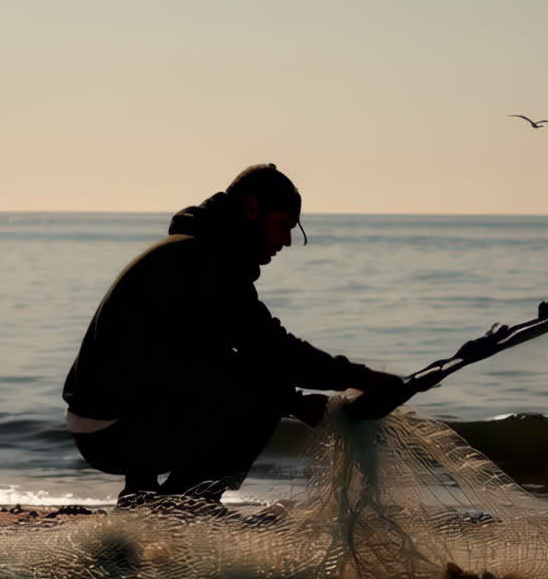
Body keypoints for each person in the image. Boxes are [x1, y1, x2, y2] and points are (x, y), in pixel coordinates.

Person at [62, 164, 405, 504]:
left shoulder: (191, 251)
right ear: (251, 209)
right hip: (114, 431)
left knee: (256, 386)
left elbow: (203, 358)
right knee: (261, 399)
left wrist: (295, 402)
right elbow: (273, 350)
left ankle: (143, 495)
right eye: (282, 225)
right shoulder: (204, 263)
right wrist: (364, 378)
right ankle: (187, 504)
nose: (285, 241)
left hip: (101, 421)